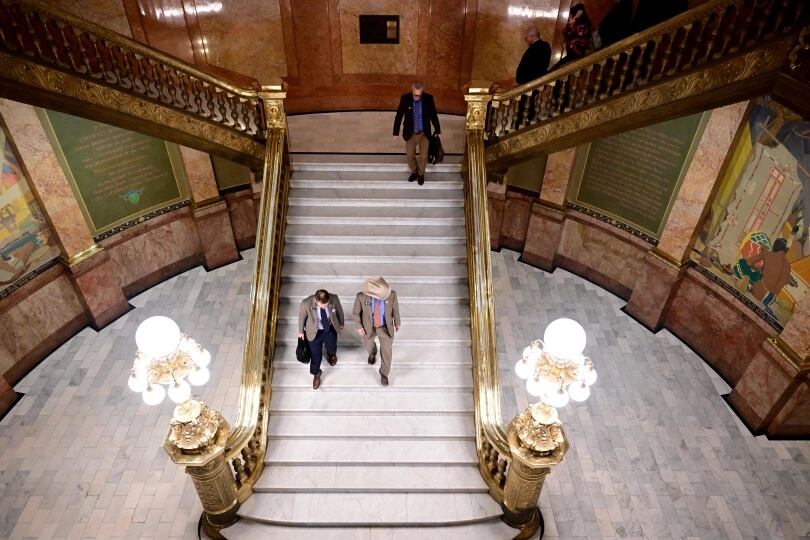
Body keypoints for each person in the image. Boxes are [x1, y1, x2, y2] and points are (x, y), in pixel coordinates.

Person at [353, 277, 401, 387]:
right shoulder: (361, 297)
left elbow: (396, 310)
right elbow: (356, 313)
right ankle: (372, 352)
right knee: (368, 345)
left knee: (386, 351)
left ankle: (384, 373)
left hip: (385, 327)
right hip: (368, 327)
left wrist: (397, 322)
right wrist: (359, 326)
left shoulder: (392, 295)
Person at [393, 82, 441, 186]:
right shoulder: (405, 99)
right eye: (415, 95)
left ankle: (421, 174)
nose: (417, 97)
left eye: (419, 95)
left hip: (424, 134)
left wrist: (437, 129)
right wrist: (395, 132)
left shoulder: (428, 99)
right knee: (410, 155)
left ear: (422, 92)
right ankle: (415, 172)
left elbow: (433, 114)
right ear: (412, 91)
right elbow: (399, 115)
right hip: (410, 133)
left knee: (423, 157)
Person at [298, 289, 345, 390]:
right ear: (316, 300)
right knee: (316, 356)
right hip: (314, 331)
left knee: (332, 345)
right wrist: (301, 331)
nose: (325, 307)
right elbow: (301, 317)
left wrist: (341, 323)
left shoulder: (334, 298)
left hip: (329, 327)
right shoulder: (306, 303)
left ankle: (331, 354)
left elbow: (340, 310)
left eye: (326, 305)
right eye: (322, 306)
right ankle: (316, 373)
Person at [734, 238, 793, 318]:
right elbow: (779, 282)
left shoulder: (768, 254)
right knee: (759, 274)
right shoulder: (788, 265)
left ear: (775, 246)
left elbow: (749, 262)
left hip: (759, 292)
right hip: (770, 298)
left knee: (742, 262)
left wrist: (762, 254)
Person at [552, 4, 594, 70]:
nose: (571, 17)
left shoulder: (584, 25)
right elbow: (565, 31)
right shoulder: (576, 24)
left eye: (572, 15)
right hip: (572, 53)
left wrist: (575, 19)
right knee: (557, 70)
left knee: (558, 70)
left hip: (578, 54)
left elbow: (574, 35)